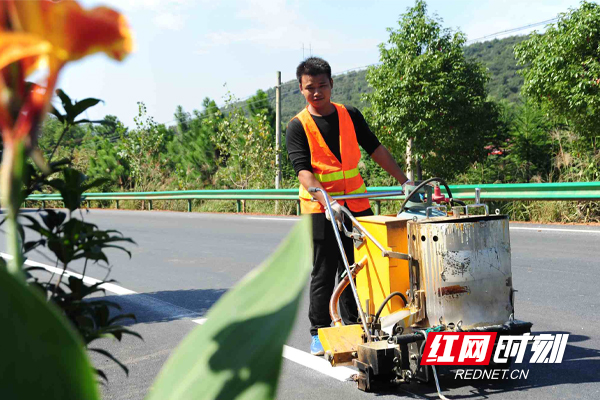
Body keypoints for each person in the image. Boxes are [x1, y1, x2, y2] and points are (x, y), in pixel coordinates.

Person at [286, 57, 412, 356]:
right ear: (301, 89)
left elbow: (375, 148)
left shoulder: (349, 115)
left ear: (331, 84)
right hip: (321, 209)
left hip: (356, 205)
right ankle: (319, 332)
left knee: (357, 269)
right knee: (325, 271)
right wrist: (324, 199)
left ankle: (355, 325)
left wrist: (404, 180)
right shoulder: (297, 126)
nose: (317, 92)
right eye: (309, 88)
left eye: (322, 86)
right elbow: (303, 170)